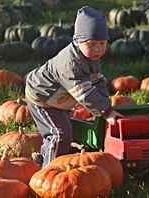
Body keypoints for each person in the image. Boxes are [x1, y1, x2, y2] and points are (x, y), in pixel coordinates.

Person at [25, 6, 123, 168]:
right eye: (91, 44)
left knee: (65, 131)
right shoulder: (71, 65)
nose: (98, 48)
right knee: (59, 134)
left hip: (59, 100)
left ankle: (44, 155)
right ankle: (50, 170)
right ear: (77, 41)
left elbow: (97, 80)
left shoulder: (91, 57)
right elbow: (84, 93)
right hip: (42, 98)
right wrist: (106, 111)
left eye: (102, 43)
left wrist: (105, 104)